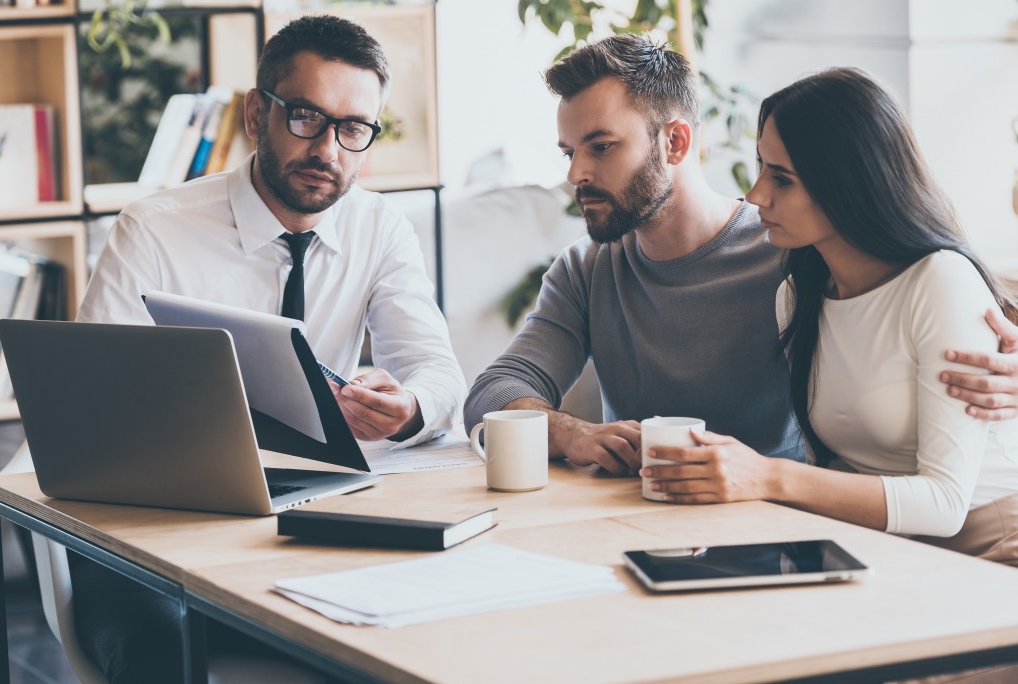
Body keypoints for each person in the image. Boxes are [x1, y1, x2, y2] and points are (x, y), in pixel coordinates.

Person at [70, 15, 465, 682]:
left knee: (413, 637)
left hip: (305, 521)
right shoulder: (155, 232)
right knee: (163, 654)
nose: (330, 150)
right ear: (259, 113)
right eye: (307, 118)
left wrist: (411, 405)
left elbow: (438, 371)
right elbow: (88, 407)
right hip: (151, 527)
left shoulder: (380, 228)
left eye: (354, 128)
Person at [464, 34, 1018, 476]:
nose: (576, 174)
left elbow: (924, 285)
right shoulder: (586, 270)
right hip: (641, 531)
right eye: (569, 152)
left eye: (601, 147)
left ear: (675, 142)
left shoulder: (794, 247)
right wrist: (569, 432)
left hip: (786, 535)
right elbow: (493, 392)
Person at [641, 67, 1018, 564]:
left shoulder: (939, 282)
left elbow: (945, 506)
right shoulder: (798, 296)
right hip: (878, 550)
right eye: (762, 169)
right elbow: (831, 472)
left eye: (782, 178)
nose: (756, 196)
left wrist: (766, 477)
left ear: (848, 183)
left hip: (990, 546)